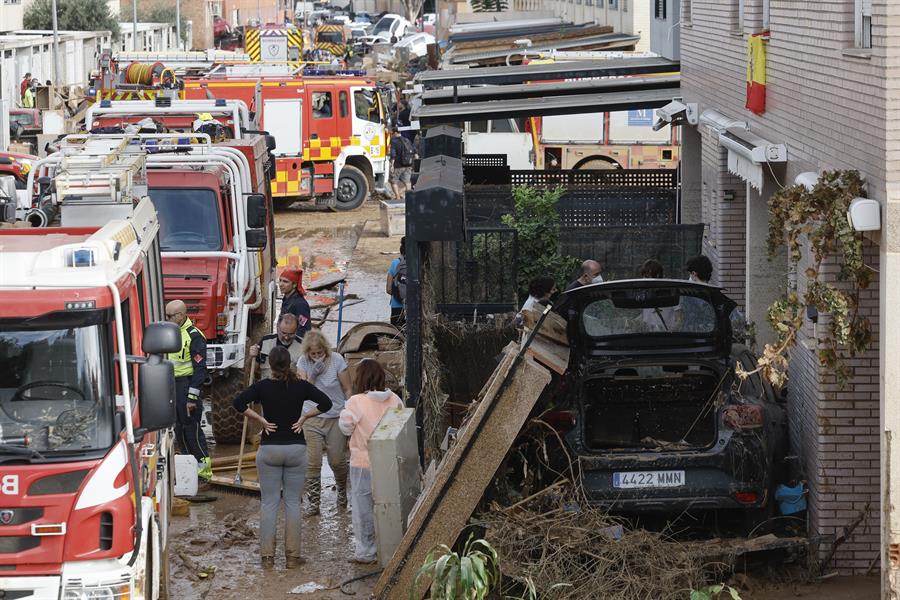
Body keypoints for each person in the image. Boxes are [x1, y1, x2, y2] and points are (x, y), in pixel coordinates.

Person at [232, 346, 333, 569]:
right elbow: (326, 403)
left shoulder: (262, 386)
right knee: (292, 504)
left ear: (270, 365)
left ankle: (267, 558)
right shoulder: (301, 386)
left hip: (269, 449)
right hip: (296, 449)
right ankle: (293, 558)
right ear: (291, 364)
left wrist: (260, 419)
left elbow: (238, 403)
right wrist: (305, 417)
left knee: (268, 503)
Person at [339, 359, 404, 564]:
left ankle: (367, 552)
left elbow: (345, 428)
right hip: (389, 463)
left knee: (363, 508)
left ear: (361, 378)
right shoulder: (394, 399)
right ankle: (393, 548)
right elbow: (401, 426)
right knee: (390, 505)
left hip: (362, 463)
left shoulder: (356, 401)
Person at [296, 330, 353, 516]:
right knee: (312, 462)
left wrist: (350, 409)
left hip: (335, 416)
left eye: (320, 353)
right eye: (313, 354)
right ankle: (314, 504)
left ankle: (342, 493)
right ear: (307, 352)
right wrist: (313, 374)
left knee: (337, 460)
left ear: (325, 350)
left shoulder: (336, 360)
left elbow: (347, 388)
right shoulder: (302, 362)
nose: (317, 356)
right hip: (311, 417)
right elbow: (303, 390)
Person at [166, 300, 212, 481]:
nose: (166, 319)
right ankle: (189, 472)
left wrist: (192, 398)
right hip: (172, 385)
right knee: (179, 430)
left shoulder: (194, 336)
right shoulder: (170, 332)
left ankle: (204, 473)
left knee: (191, 430)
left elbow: (200, 370)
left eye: (170, 316)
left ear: (180, 315)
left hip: (186, 387)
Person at [250, 313, 304, 380]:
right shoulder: (265, 341)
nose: (286, 337)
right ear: (277, 326)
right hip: (267, 387)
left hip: (290, 388)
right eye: (284, 333)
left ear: (296, 330)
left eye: (291, 334)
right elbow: (251, 370)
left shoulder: (303, 346)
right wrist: (251, 357)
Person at [278, 268, 312, 336]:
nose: (281, 284)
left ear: (294, 285)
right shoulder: (286, 299)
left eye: (285, 282)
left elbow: (304, 329)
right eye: (280, 280)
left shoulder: (300, 305)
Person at [388, 125, 415, 200]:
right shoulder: (407, 140)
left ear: (396, 133)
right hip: (408, 164)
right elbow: (413, 150)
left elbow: (393, 154)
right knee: (407, 182)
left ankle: (397, 197)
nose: (392, 135)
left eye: (392, 133)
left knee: (393, 181)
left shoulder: (394, 141)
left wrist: (392, 165)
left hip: (398, 165)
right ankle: (410, 198)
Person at [386, 236, 406, 327]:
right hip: (413, 307)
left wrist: (399, 293)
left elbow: (389, 289)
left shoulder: (395, 263)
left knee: (396, 333)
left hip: (397, 305)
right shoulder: (417, 263)